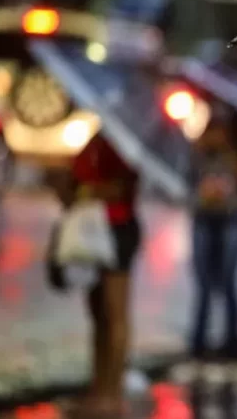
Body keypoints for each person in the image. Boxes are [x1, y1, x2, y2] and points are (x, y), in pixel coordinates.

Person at [71, 133, 141, 414]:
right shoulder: (96, 139)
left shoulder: (126, 142)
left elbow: (122, 187)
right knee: (98, 314)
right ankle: (99, 387)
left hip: (118, 231)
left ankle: (112, 394)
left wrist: (88, 190)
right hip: (93, 231)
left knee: (115, 314)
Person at [190, 108, 237, 361]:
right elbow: (183, 185)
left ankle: (232, 341)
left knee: (228, 281)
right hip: (204, 219)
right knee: (204, 283)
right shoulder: (197, 156)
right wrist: (203, 192)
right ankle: (199, 341)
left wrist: (229, 190)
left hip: (230, 220)